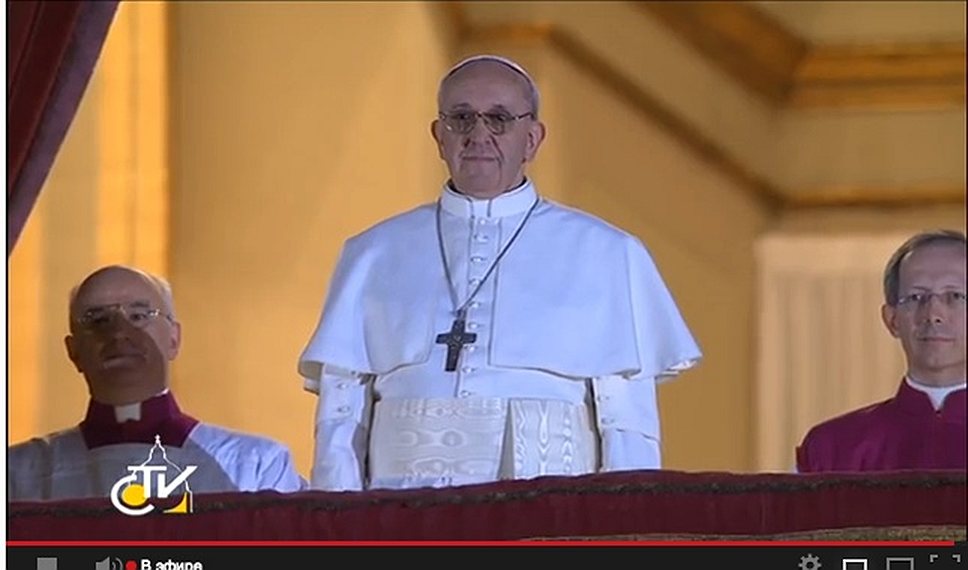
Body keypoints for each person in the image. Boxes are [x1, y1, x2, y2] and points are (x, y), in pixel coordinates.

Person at [298, 54, 702, 491]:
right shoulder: (373, 253)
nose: (478, 135)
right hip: (401, 513)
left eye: (499, 119)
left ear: (532, 139)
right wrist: (338, 521)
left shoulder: (607, 254)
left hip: (547, 515)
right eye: (461, 118)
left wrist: (624, 521)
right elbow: (341, 417)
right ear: (439, 136)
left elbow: (627, 427)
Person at [8, 265, 307, 501]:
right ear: (73, 351)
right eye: (97, 320)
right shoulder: (17, 473)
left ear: (174, 339)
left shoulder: (256, 467)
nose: (118, 333)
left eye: (139, 315)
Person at [797, 230, 966, 473]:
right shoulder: (831, 448)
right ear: (892, 320)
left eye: (955, 296)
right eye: (916, 297)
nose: (933, 314)